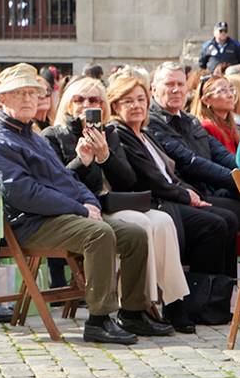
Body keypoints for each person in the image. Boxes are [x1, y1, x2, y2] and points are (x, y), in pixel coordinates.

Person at [0, 63, 150, 345]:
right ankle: (99, 319)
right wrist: (81, 209)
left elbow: (65, 178)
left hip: (57, 216)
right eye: (20, 93)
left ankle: (132, 311)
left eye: (33, 93)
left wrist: (89, 202)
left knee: (134, 234)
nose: (29, 99)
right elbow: (22, 193)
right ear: (1, 100)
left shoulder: (30, 134)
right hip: (29, 223)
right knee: (99, 234)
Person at [43, 76, 183, 335]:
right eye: (80, 99)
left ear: (103, 105)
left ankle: (169, 301)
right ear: (67, 103)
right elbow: (58, 182)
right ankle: (139, 304)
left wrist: (105, 156)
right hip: (80, 209)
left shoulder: (108, 132)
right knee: (139, 225)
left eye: (94, 100)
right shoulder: (53, 135)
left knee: (163, 220)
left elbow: (126, 180)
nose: (87, 104)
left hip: (110, 201)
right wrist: (82, 160)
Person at [107, 70, 237, 329]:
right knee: (214, 224)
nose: (136, 106)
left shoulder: (146, 133)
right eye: (128, 101)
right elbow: (146, 179)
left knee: (227, 218)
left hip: (173, 195)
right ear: (114, 105)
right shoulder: (119, 133)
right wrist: (185, 196)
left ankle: (219, 299)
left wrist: (192, 193)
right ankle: (194, 302)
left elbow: (171, 172)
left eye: (140, 100)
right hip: (154, 202)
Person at [147, 61, 240, 234]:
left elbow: (221, 154)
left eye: (180, 84)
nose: (176, 90)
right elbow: (189, 161)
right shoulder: (151, 122)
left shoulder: (190, 119)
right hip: (185, 194)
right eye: (169, 84)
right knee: (231, 216)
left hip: (208, 190)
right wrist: (235, 180)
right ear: (153, 89)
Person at [192, 74, 240, 156]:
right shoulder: (207, 127)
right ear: (206, 100)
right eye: (223, 91)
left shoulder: (229, 126)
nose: (230, 95)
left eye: (231, 89)